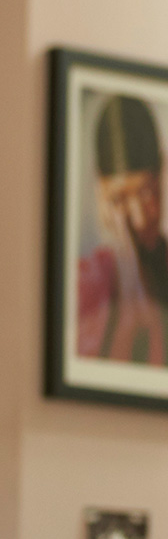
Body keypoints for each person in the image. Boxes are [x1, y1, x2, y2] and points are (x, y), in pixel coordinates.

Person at [77, 93, 168, 366]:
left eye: (147, 193)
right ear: (99, 190)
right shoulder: (81, 284)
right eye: (119, 199)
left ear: (163, 173)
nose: (139, 220)